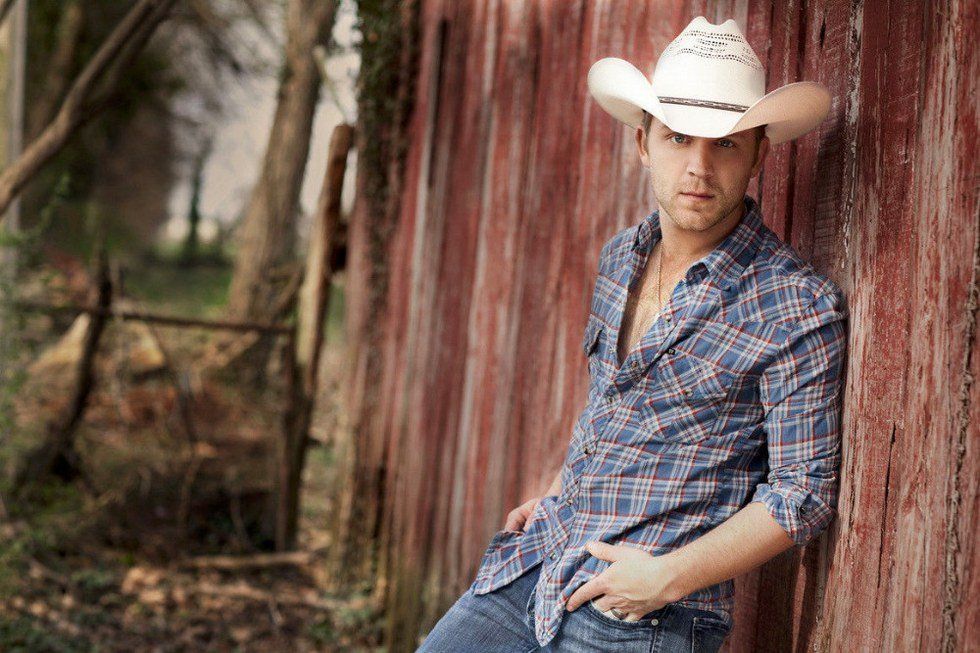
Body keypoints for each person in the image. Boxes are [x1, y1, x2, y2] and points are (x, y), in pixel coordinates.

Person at [417, 15, 848, 653]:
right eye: (679, 138)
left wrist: (663, 579)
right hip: (541, 557)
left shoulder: (795, 305)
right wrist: (558, 492)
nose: (699, 167)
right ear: (644, 142)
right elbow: (610, 403)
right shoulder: (622, 257)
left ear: (760, 152)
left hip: (642, 611)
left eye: (726, 145)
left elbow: (802, 495)